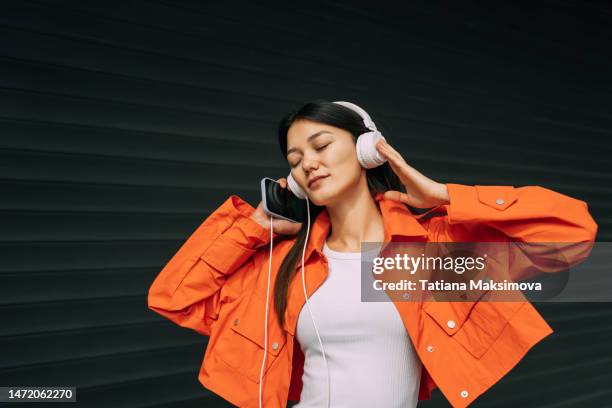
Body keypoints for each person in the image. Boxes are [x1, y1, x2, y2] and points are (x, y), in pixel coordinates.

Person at [148, 100, 598, 408]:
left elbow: (571, 237)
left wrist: (442, 194)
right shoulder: (287, 267)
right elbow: (173, 298)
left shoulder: (426, 257)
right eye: (295, 157)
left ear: (367, 150)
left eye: (321, 146)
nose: (308, 163)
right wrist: (255, 226)